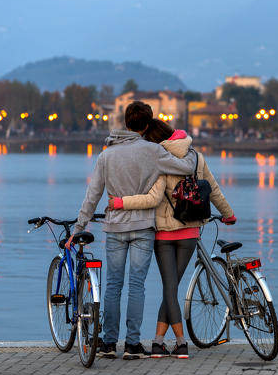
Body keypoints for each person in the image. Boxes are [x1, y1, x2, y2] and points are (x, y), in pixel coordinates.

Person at [65, 101, 197, 360]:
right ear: (147, 125)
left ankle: (110, 343)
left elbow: (92, 197)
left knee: (113, 285)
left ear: (126, 123)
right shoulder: (153, 151)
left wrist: (78, 228)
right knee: (137, 285)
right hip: (144, 227)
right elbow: (187, 168)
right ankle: (133, 345)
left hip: (115, 226)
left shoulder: (106, 155)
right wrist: (190, 150)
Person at [107, 119, 236, 359]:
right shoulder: (195, 157)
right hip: (190, 231)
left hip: (163, 234)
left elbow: (153, 199)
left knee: (170, 288)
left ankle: (179, 343)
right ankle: (158, 342)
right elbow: (214, 189)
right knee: (172, 287)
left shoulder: (160, 160)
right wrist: (228, 214)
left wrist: (120, 202)